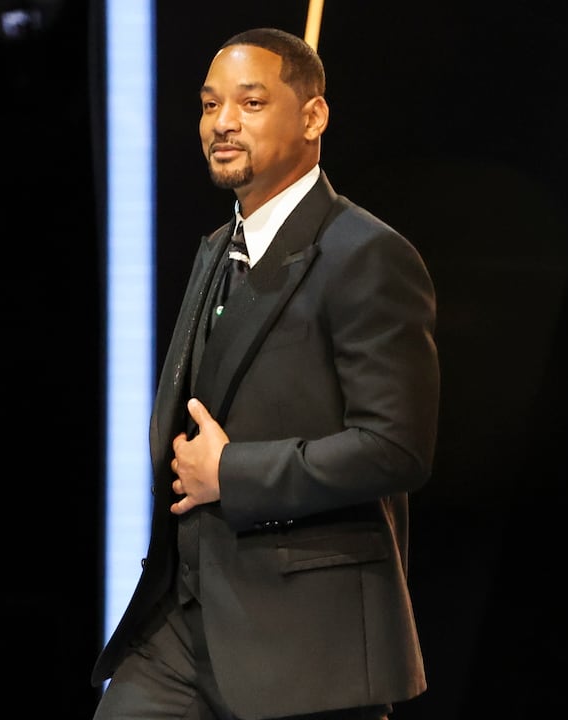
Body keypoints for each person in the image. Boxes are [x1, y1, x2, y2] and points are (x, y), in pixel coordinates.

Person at [91, 27, 440, 720]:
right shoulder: (217, 248)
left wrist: (234, 473)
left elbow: (396, 448)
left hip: (304, 642)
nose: (222, 122)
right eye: (209, 104)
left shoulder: (366, 255)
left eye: (250, 103)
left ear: (313, 117)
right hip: (182, 625)